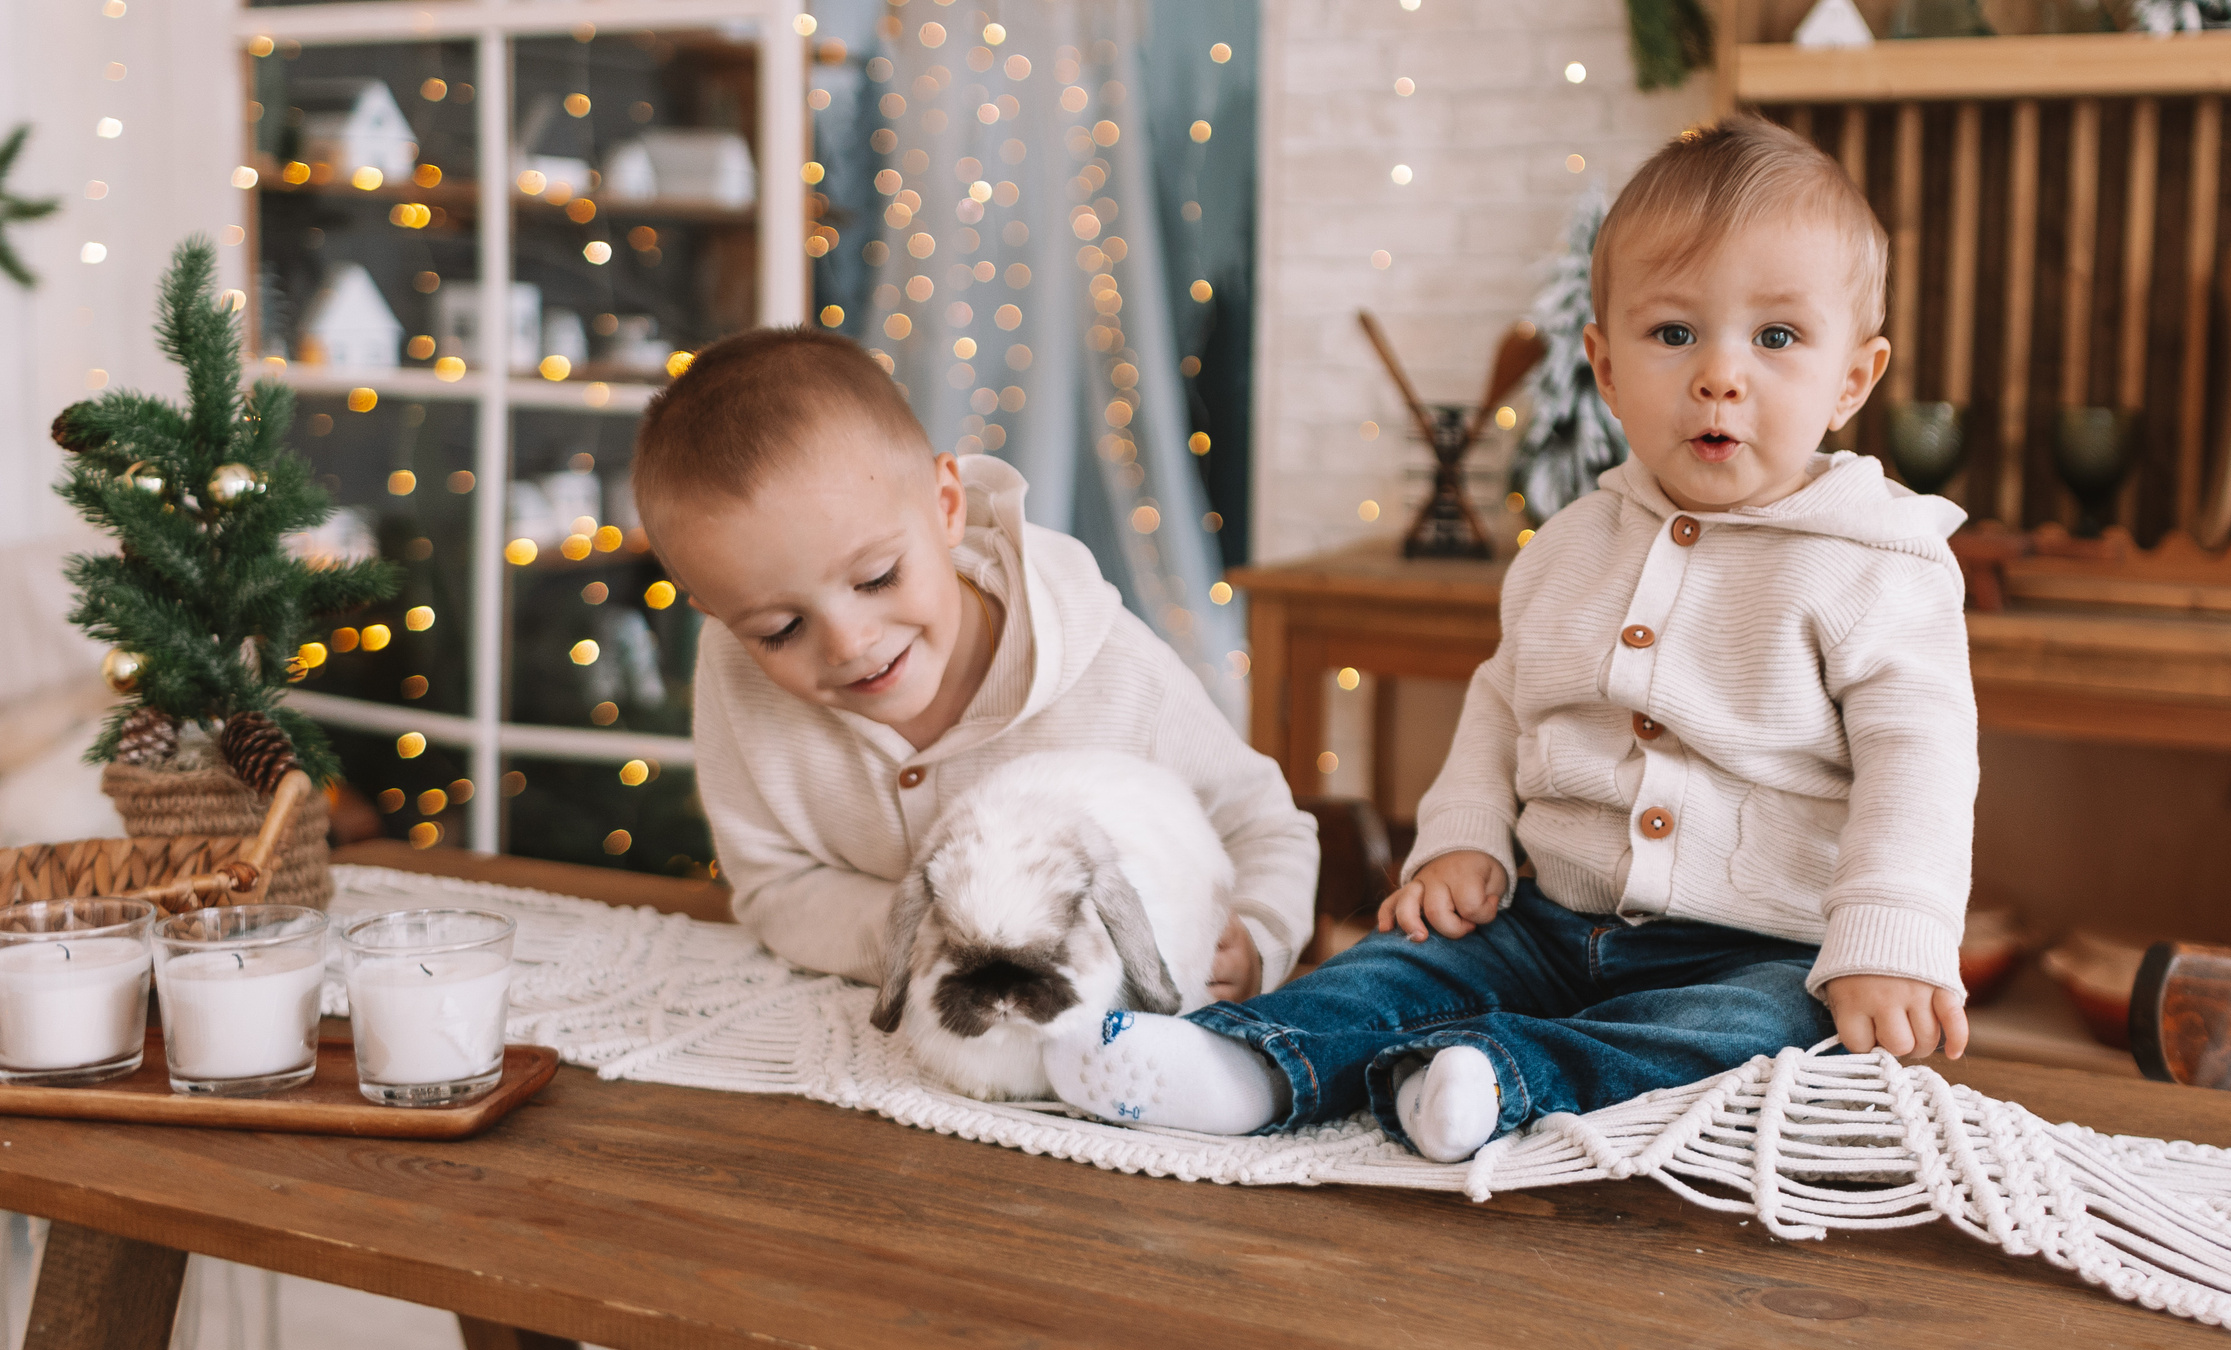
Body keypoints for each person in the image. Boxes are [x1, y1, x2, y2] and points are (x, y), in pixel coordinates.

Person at [1044, 117, 1976, 1161]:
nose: (1720, 375)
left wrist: (1889, 941)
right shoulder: (1571, 546)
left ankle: (1492, 1081)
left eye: (1775, 338)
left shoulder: (1877, 561)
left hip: (1753, 946)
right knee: (1400, 962)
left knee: (1762, 1040)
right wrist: (1459, 840)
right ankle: (1242, 1061)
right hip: (1542, 920)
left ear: (1853, 378)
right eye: (1673, 334)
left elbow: (1921, 762)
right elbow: (1501, 704)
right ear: (1605, 366)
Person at [631, 328, 1318, 1003]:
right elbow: (773, 886)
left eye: (876, 577)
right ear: (716, 614)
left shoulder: (1121, 676)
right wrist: (929, 936)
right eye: (781, 629)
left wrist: (1257, 939)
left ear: (948, 507)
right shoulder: (734, 672)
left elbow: (1266, 827)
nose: (848, 643)